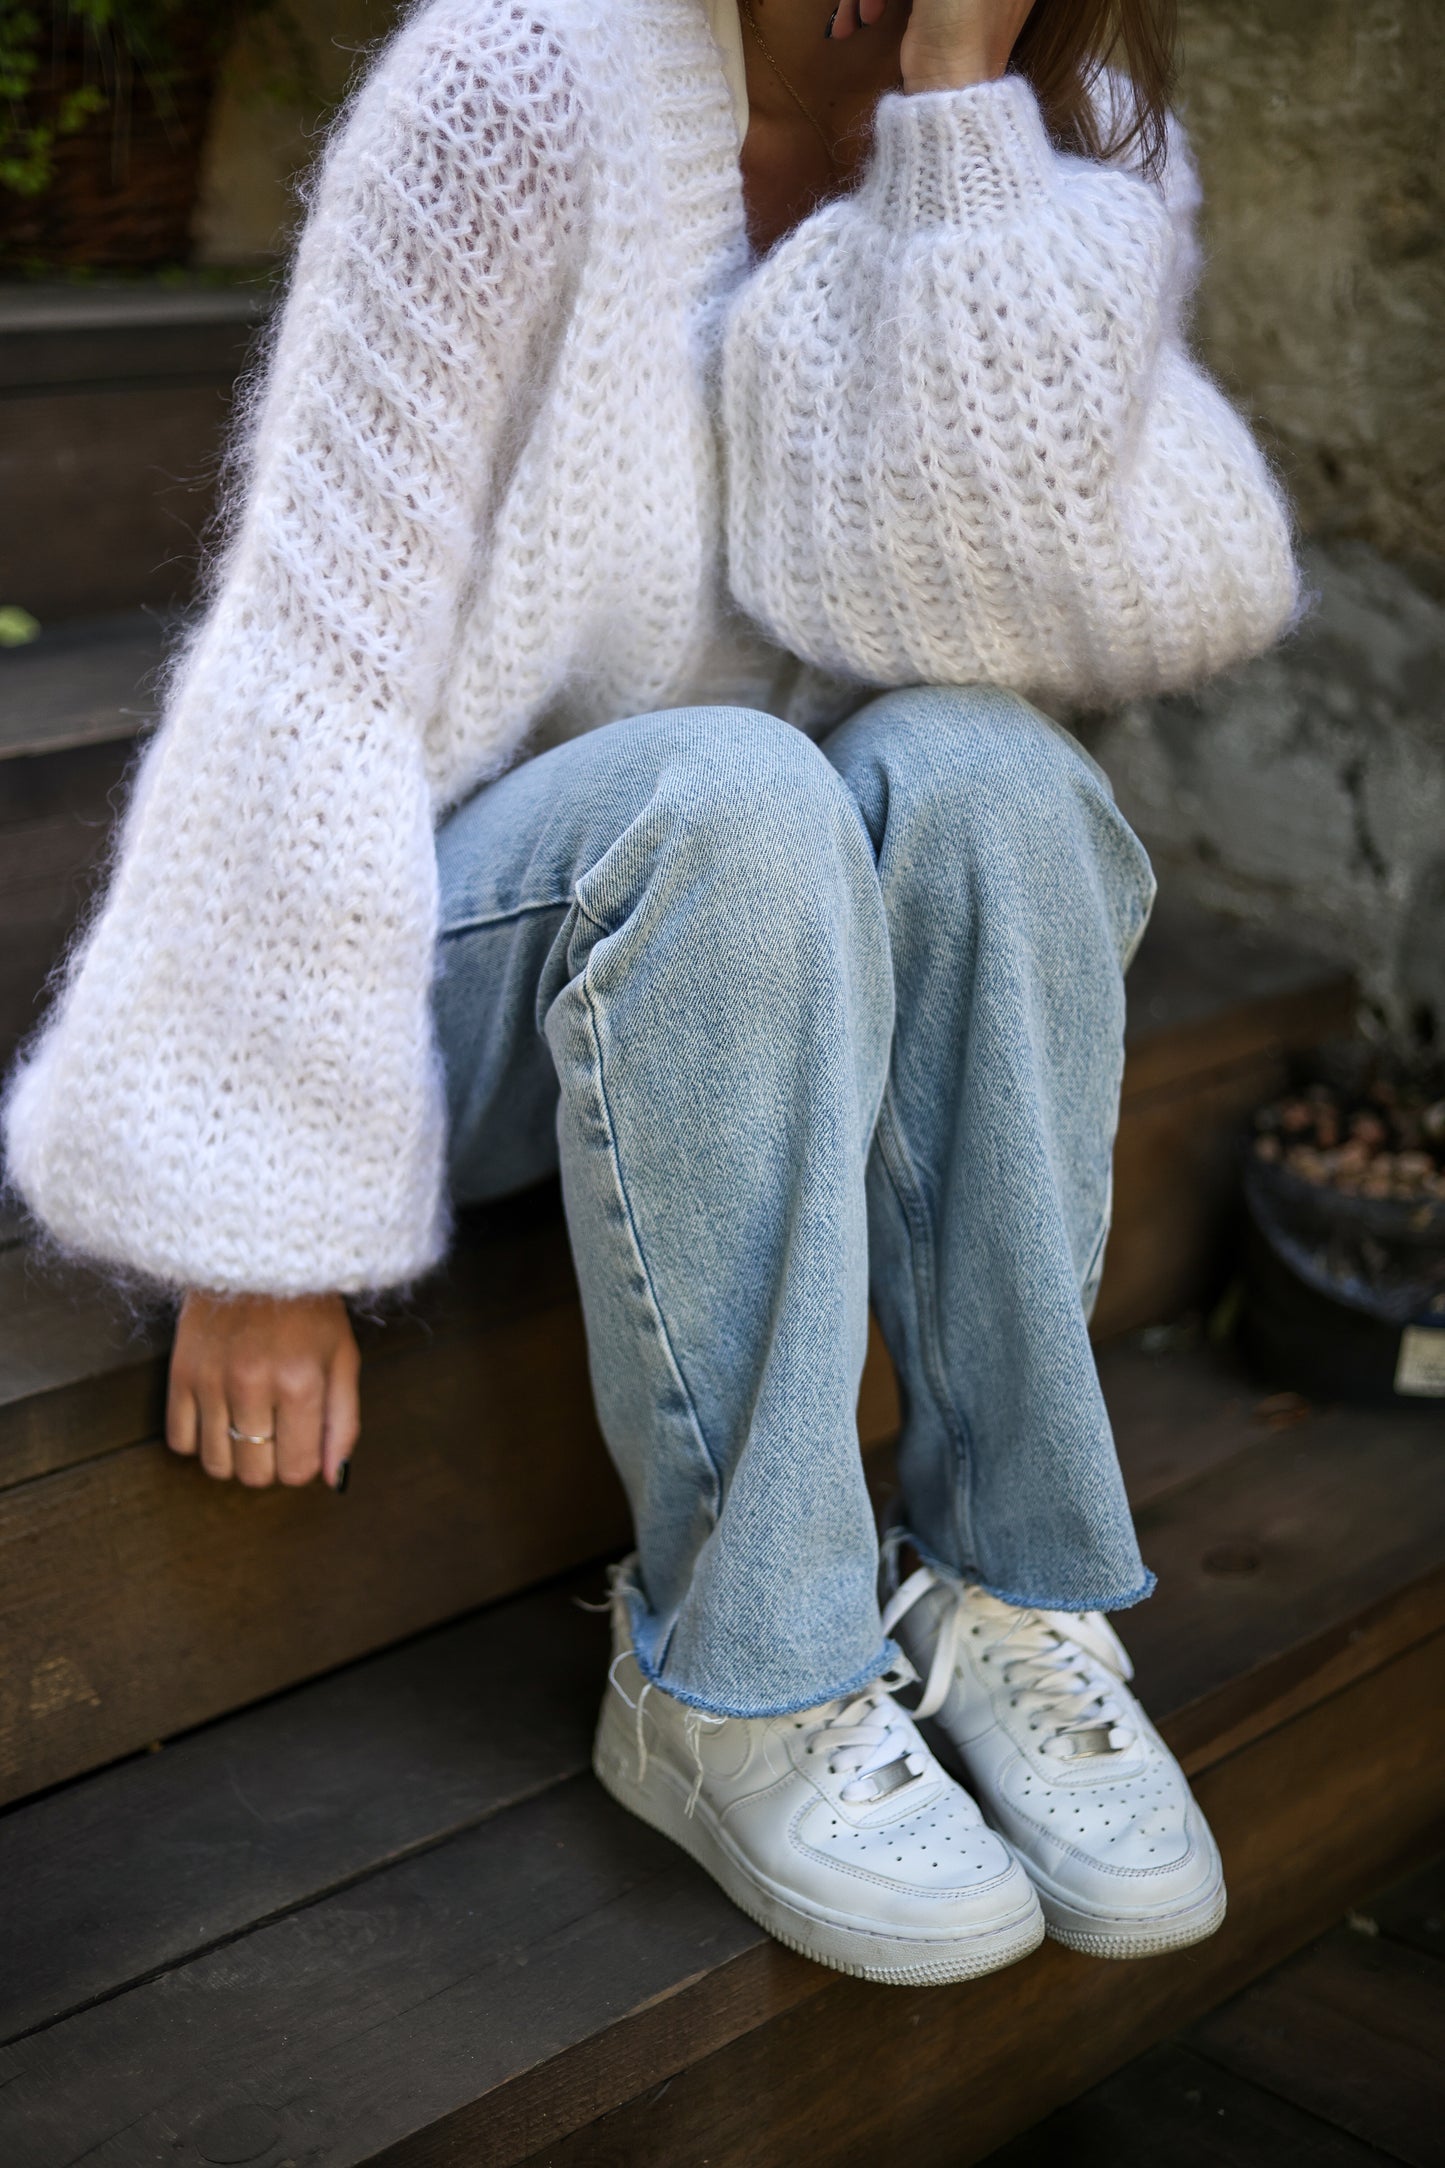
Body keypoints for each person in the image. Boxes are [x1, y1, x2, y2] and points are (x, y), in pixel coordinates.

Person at [3, 0, 1298, 1984]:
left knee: (995, 771)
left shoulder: (1074, 110)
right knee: (737, 787)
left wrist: (957, 125)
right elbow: (313, 644)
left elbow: (1082, 604)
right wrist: (256, 1213)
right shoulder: (517, 81)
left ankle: (1011, 1593)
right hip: (481, 945)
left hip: (794, 954)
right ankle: (739, 1677)